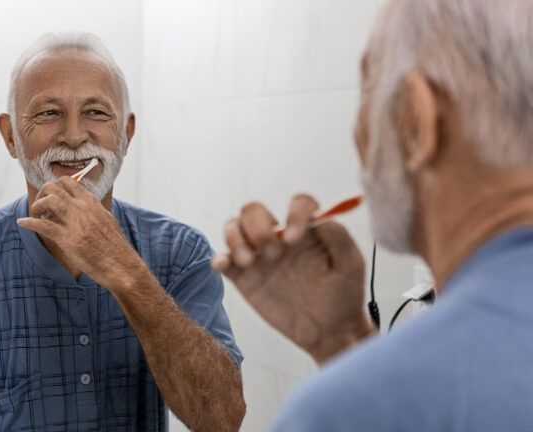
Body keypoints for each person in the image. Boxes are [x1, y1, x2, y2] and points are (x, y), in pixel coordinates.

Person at [0, 32, 245, 432]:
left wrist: (123, 271)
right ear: (10, 137)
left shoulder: (181, 252)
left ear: (127, 134)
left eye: (97, 113)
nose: (73, 136)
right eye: (49, 113)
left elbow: (222, 419)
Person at [213, 0, 533, 430]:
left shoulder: (340, 412)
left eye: (367, 91)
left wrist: (366, 393)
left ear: (414, 122)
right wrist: (342, 340)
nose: (359, 135)